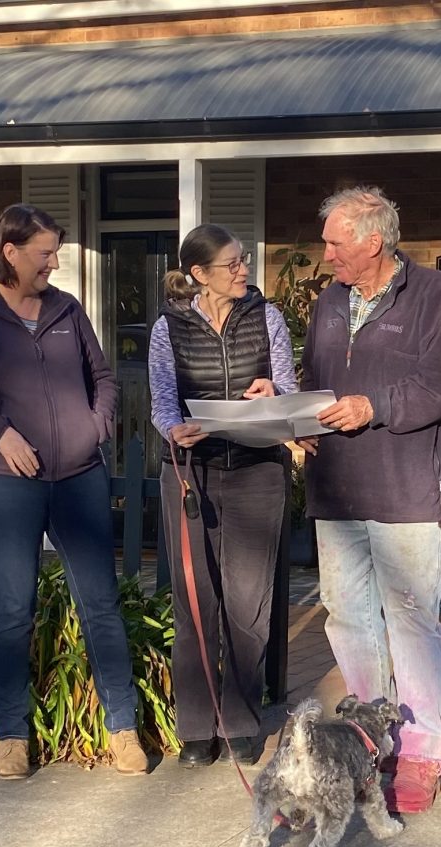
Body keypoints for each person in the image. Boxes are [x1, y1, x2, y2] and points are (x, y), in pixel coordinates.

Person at [0, 203, 147, 780]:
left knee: (100, 604)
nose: (52, 263)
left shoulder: (67, 310)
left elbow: (102, 376)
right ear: (10, 251)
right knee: (10, 609)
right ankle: (12, 735)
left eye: (55, 252)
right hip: (8, 484)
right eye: (44, 253)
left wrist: (94, 426)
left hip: (79, 476)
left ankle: (123, 727)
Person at [297, 186, 441, 813]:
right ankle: (372, 737)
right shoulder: (329, 303)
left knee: (410, 618)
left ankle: (421, 749)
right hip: (338, 489)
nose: (326, 255)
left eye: (335, 243)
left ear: (374, 241)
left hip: (406, 489)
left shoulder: (431, 296)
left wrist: (375, 407)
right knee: (345, 616)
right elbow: (316, 382)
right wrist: (289, 408)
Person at [148, 224, 297, 768]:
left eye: (244, 260)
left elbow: (284, 386)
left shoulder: (268, 318)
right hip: (191, 472)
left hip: (257, 470)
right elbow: (163, 399)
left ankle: (239, 720)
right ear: (199, 275)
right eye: (232, 263)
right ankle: (195, 728)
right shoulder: (169, 328)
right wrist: (174, 430)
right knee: (194, 601)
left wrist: (274, 392)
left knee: (248, 603)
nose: (244, 270)